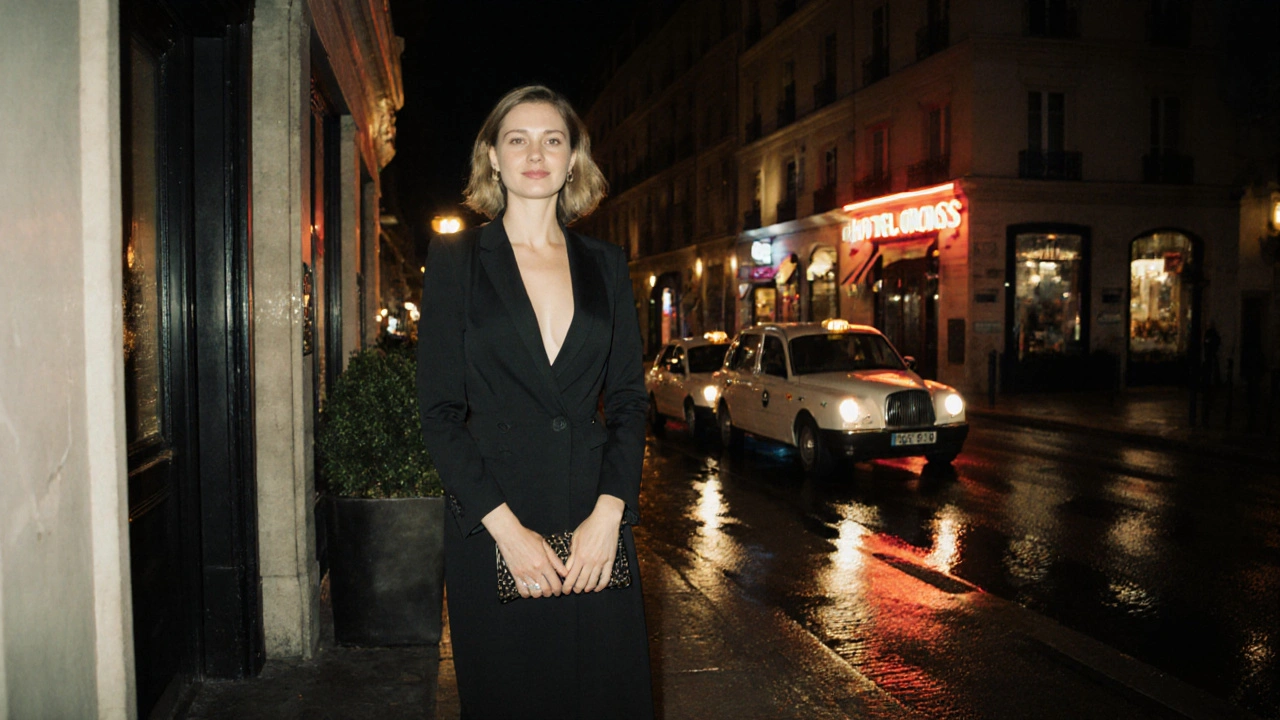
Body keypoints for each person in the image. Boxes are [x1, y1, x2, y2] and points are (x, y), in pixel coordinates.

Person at [416, 85, 654, 719]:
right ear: (493, 157)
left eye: (553, 140)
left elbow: (628, 401)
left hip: (594, 521)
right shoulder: (457, 259)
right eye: (516, 139)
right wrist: (507, 533)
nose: (535, 154)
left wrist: (610, 514)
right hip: (496, 520)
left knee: (606, 697)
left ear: (573, 158)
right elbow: (439, 413)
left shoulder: (605, 264)